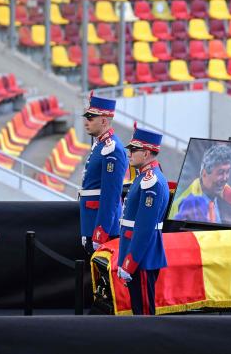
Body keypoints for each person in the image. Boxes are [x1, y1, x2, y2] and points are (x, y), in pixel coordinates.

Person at [117, 124, 169, 315]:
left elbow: (144, 228)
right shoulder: (144, 177)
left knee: (145, 313)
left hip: (142, 256)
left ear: (146, 153)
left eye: (133, 150)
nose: (129, 153)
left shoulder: (151, 180)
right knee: (139, 309)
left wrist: (130, 262)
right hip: (138, 254)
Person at [79, 92, 128, 256]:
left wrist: (101, 231)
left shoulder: (111, 149)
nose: (86, 122)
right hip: (92, 222)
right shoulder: (101, 145)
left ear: (104, 120)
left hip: (103, 229)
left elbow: (111, 195)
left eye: (91, 118)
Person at [172, 143, 231, 227]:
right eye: (220, 172)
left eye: (227, 172)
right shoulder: (189, 203)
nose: (225, 178)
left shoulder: (218, 192)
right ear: (204, 174)